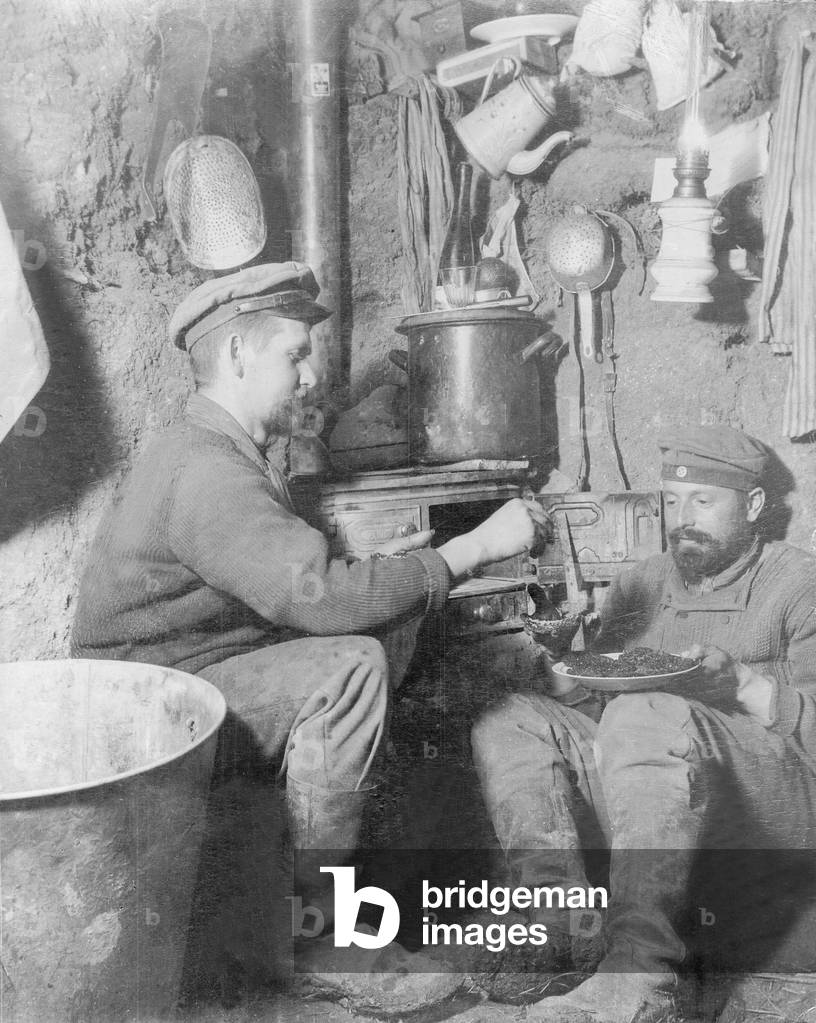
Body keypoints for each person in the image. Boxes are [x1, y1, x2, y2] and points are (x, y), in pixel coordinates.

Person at [70, 261, 548, 986]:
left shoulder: (224, 449)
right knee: (352, 663)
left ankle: (349, 898)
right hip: (142, 710)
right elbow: (319, 596)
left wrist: (392, 574)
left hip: (181, 678)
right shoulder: (207, 469)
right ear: (236, 355)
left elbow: (293, 584)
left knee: (382, 634)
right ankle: (320, 937)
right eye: (293, 355)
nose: (306, 376)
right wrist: (473, 548)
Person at [471, 425, 816, 1023]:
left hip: (771, 806)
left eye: (704, 502)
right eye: (672, 502)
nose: (683, 518)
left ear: (754, 505)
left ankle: (642, 977)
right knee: (510, 719)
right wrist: (560, 667)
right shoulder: (644, 582)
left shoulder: (798, 584)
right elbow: (597, 701)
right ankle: (558, 924)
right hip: (658, 790)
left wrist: (744, 685)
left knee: (643, 712)